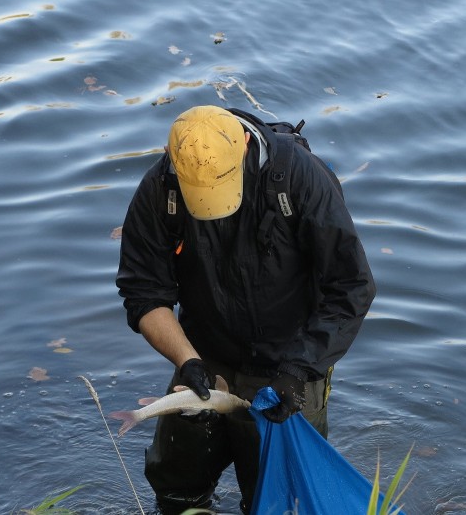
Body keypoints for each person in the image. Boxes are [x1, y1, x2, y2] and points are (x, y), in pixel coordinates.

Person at [116, 105, 375, 513]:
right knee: (176, 484)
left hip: (290, 360)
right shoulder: (160, 188)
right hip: (205, 352)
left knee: (276, 497)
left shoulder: (301, 179)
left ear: (245, 148)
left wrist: (299, 368)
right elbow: (144, 293)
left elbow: (350, 288)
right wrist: (187, 361)